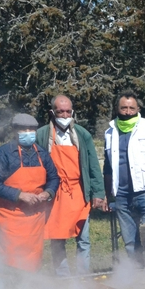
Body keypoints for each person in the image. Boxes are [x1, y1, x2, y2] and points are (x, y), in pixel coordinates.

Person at [36, 95, 105, 275]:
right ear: (52, 113)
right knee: (57, 238)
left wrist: (98, 192)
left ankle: (84, 276)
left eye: (68, 111)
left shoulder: (82, 134)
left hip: (79, 192)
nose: (65, 115)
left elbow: (93, 166)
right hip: (54, 194)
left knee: (83, 238)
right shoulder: (41, 135)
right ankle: (63, 277)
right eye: (61, 111)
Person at [103, 91, 145, 262]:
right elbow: (108, 167)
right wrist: (106, 193)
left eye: (131, 108)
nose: (127, 112)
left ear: (138, 108)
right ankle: (137, 278)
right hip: (122, 196)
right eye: (123, 108)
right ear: (117, 109)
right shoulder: (110, 132)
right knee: (130, 243)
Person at [0, 113, 59, 271]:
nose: (28, 132)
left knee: (31, 258)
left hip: (34, 218)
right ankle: (5, 287)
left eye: (32, 129)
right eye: (24, 129)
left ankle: (29, 287)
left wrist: (48, 193)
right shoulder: (3, 153)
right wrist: (19, 195)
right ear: (15, 131)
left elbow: (54, 178)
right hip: (9, 217)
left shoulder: (42, 153)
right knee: (7, 257)